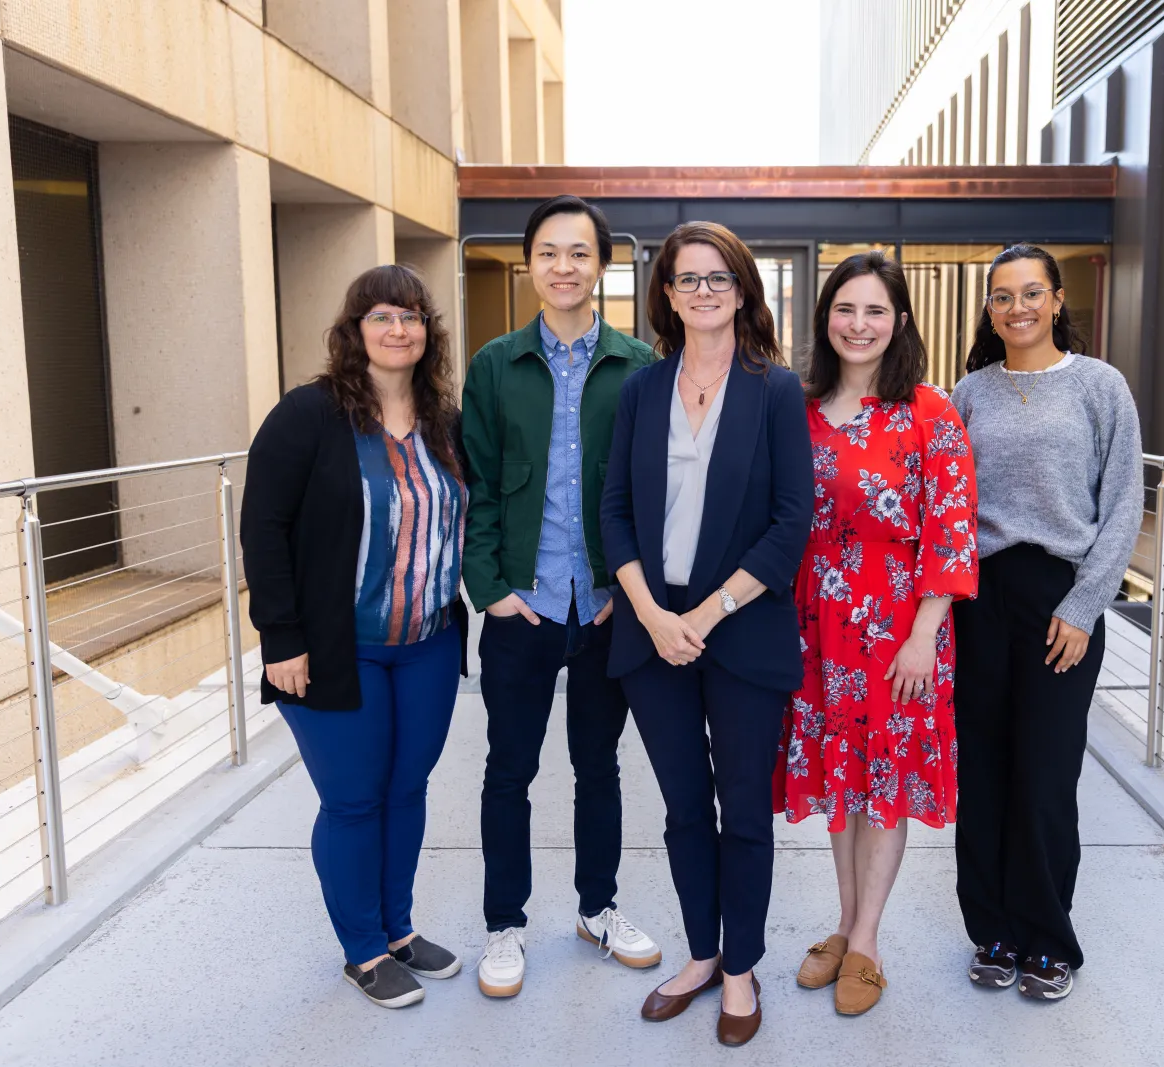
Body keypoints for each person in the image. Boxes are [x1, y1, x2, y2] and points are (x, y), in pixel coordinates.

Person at [601, 221, 814, 1047]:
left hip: (742, 628)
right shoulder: (642, 391)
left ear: (742, 289)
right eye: (686, 278)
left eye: (717, 277)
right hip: (654, 634)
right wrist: (654, 615)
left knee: (743, 813)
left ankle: (740, 968)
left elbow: (790, 523)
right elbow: (613, 511)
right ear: (666, 293)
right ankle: (699, 953)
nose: (702, 290)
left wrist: (706, 613)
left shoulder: (774, 390)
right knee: (685, 807)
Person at [241, 264, 469, 1009]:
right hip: (338, 647)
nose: (398, 329)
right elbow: (263, 527)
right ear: (355, 330)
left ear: (427, 330)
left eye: (410, 316)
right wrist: (282, 638)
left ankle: (400, 929)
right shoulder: (310, 414)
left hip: (429, 643)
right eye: (381, 316)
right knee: (352, 800)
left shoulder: (444, 419)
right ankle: (363, 949)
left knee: (407, 789)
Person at [460, 195, 659, 998]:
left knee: (598, 767)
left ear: (601, 264)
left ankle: (597, 907)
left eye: (579, 253)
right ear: (530, 264)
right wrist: (492, 591)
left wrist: (628, 588)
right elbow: (473, 485)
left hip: (606, 605)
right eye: (549, 252)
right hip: (524, 604)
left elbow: (650, 492)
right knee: (509, 770)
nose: (564, 266)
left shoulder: (639, 365)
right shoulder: (494, 364)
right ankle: (504, 923)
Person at [773, 251, 976, 1015]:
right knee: (841, 781)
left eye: (876, 311)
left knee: (882, 780)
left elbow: (951, 532)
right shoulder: (798, 406)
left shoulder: (930, 411)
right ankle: (846, 920)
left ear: (899, 322)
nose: (860, 325)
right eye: (846, 309)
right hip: (817, 629)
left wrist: (925, 632)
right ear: (826, 318)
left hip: (898, 630)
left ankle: (866, 941)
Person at [949, 243, 1143, 1002]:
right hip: (979, 597)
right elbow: (949, 504)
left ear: (1058, 300)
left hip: (1062, 596)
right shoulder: (969, 392)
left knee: (1046, 771)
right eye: (1002, 296)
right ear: (990, 309)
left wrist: (1085, 603)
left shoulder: (1100, 386)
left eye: (1032, 293)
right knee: (986, 770)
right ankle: (992, 930)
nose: (1017, 307)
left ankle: (1048, 937)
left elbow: (1124, 498)